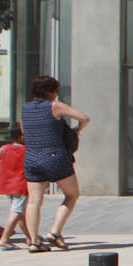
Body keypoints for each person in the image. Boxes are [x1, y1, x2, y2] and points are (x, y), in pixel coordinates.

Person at [21, 76, 87, 253]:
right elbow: (84, 117)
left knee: (34, 201)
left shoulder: (25, 108)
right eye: (56, 91)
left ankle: (34, 242)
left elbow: (23, 131)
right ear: (50, 91)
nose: (57, 94)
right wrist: (77, 130)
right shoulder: (54, 106)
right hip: (54, 157)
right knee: (72, 195)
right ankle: (55, 232)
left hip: (32, 158)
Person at [0, 124, 28, 251]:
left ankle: (31, 237)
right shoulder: (27, 150)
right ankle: (4, 239)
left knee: (21, 212)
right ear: (21, 137)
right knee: (17, 212)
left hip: (7, 186)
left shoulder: (4, 148)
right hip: (21, 185)